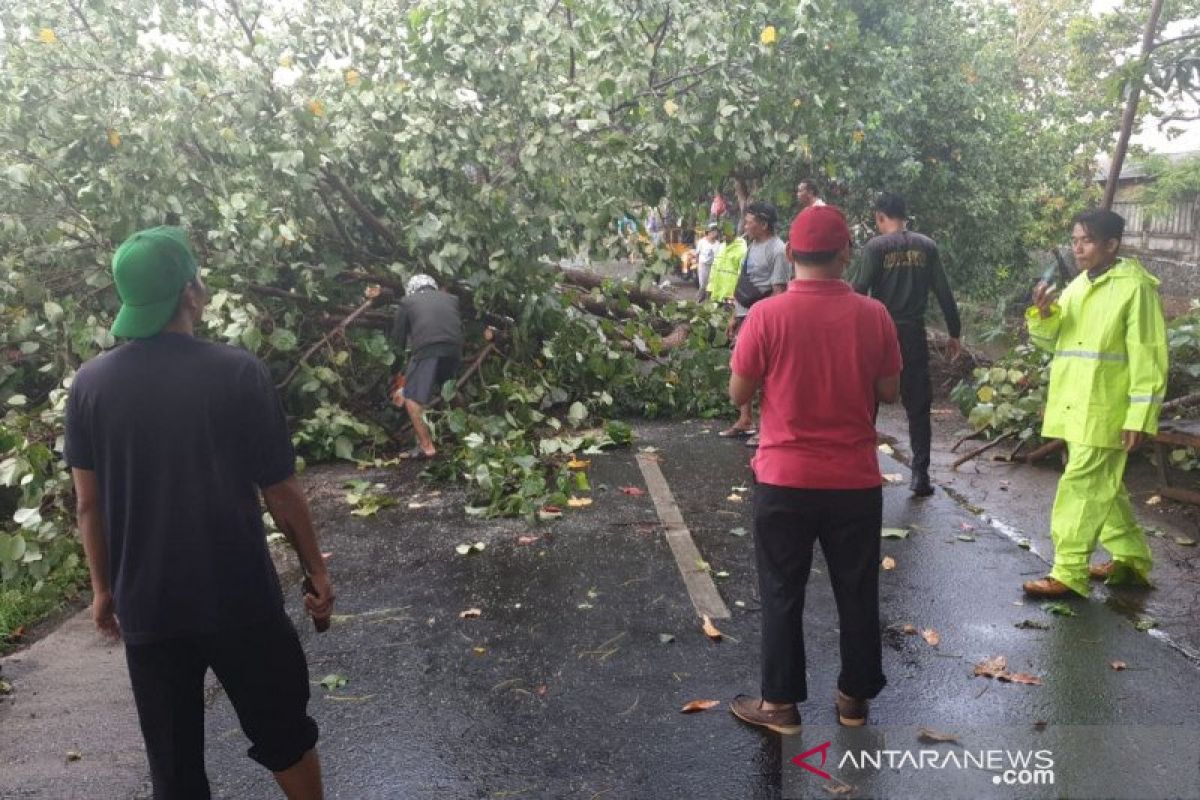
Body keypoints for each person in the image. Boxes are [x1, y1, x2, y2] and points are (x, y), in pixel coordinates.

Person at [65, 226, 334, 800]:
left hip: (149, 606)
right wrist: (317, 571)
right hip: (237, 596)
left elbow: (89, 504)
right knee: (284, 734)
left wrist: (103, 590)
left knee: (175, 768)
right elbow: (280, 491)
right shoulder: (237, 371)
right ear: (191, 292)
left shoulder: (89, 385)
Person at [728, 205, 901, 734]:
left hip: (784, 480)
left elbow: (738, 392)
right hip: (854, 481)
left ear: (793, 254)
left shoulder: (766, 316)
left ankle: (779, 706)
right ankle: (853, 701)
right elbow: (890, 393)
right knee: (857, 588)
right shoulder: (874, 316)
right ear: (846, 253)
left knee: (782, 589)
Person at [1022, 209, 1168, 599]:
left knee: (1082, 487)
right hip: (1077, 407)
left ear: (1111, 245)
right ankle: (1132, 560)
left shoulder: (1135, 289)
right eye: (1074, 240)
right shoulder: (1079, 286)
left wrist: (1140, 416)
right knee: (1106, 486)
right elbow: (1054, 340)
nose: (1077, 248)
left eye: (1085, 240)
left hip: (1108, 411)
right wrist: (1045, 313)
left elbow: (1149, 358)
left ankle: (1068, 572)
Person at [852, 192, 961, 496]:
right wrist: (955, 332)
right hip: (913, 333)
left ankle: (865, 469)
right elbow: (943, 292)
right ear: (905, 214)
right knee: (918, 406)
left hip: (880, 333)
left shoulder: (875, 248)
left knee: (868, 402)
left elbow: (858, 291)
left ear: (879, 217)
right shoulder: (927, 246)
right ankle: (921, 476)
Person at [720, 202, 790, 444]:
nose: (745, 225)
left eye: (749, 221)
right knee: (743, 367)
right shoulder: (752, 245)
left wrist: (759, 318)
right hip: (744, 316)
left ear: (763, 224)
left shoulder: (779, 250)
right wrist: (735, 316)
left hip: (761, 321)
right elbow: (745, 282)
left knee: (764, 374)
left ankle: (765, 427)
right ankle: (745, 420)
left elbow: (779, 291)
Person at [391, 273, 464, 459]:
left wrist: (396, 372)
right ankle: (465, 435)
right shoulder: (451, 299)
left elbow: (398, 342)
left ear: (411, 290)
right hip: (454, 347)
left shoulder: (407, 302)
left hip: (427, 348)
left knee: (411, 398)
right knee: (449, 387)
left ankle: (427, 447)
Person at [695, 222, 724, 301]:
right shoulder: (702, 242)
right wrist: (697, 264)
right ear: (708, 232)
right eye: (713, 231)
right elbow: (697, 254)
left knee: (711, 284)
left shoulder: (718, 244)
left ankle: (709, 300)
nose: (714, 233)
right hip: (703, 265)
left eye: (716, 232)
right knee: (703, 284)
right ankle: (699, 299)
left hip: (713, 266)